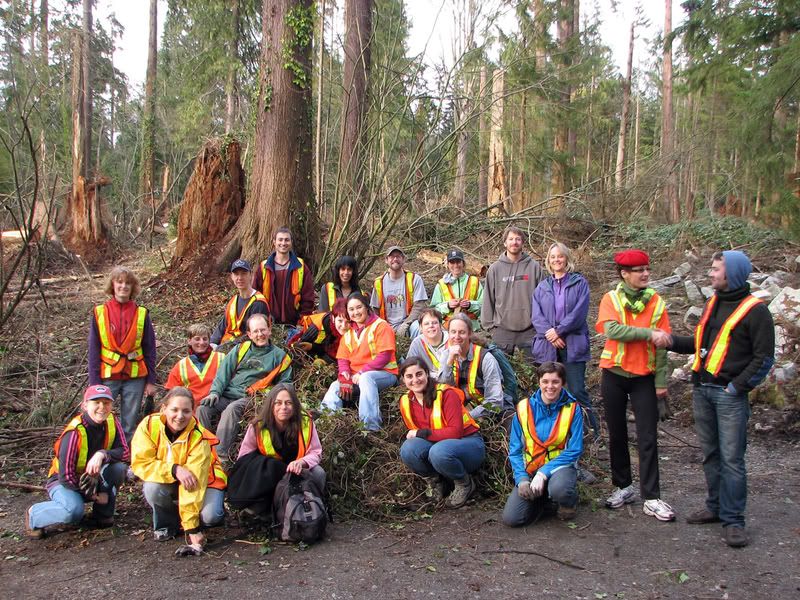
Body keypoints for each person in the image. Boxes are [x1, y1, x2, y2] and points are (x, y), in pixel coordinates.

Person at [668, 251, 775, 547]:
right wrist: (670, 341)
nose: (711, 274)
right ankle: (715, 507)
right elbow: (700, 345)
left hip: (728, 395)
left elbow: (764, 358)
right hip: (702, 389)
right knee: (711, 454)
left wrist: (737, 388)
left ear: (733, 275)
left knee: (732, 459)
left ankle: (734, 520)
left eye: (716, 269)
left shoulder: (756, 311)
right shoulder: (712, 303)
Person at [596, 249, 675, 521]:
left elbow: (664, 343)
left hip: (645, 377)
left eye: (646, 269)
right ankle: (623, 486)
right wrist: (648, 334)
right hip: (614, 375)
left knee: (648, 437)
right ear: (624, 274)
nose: (645, 274)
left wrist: (662, 382)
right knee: (617, 435)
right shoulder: (611, 299)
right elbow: (612, 330)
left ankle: (651, 497)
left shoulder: (657, 302)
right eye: (639, 270)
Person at [131, 387, 226, 556]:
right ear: (164, 409)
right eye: (174, 410)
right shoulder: (148, 426)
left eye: (186, 411)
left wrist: (191, 528)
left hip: (206, 481)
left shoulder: (199, 437)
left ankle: (192, 522)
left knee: (212, 516)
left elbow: (193, 483)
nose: (180, 416)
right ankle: (167, 524)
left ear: (193, 412)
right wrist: (174, 469)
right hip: (172, 477)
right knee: (152, 488)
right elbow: (141, 463)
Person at [25, 385, 129, 538]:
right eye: (96, 402)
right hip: (62, 481)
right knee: (73, 512)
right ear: (85, 405)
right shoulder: (74, 432)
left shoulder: (112, 420)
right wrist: (95, 496)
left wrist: (101, 454)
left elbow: (125, 452)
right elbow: (66, 477)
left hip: (92, 477)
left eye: (106, 403)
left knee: (118, 469)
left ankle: (102, 515)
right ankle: (34, 514)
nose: (102, 407)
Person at [197, 313, 293, 462]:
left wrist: (268, 397)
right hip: (227, 395)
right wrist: (215, 393)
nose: (259, 334)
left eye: (263, 330)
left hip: (250, 398)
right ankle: (201, 448)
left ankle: (220, 458)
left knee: (232, 409)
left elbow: (285, 385)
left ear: (269, 330)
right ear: (249, 334)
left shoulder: (280, 356)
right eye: (255, 331)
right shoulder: (240, 349)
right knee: (203, 408)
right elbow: (224, 372)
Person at [503, 362, 584, 526]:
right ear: (539, 382)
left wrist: (543, 473)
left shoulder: (573, 408)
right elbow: (515, 450)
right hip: (531, 468)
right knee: (512, 519)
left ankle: (567, 502)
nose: (550, 386)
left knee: (559, 489)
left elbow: (575, 449)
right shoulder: (523, 407)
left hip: (561, 468)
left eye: (555, 382)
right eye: (545, 381)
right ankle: (543, 499)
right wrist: (522, 479)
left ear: (563, 383)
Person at [227, 384, 325, 518]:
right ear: (271, 405)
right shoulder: (258, 426)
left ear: (295, 405)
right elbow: (244, 458)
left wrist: (301, 462)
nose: (283, 407)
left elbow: (316, 452)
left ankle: (312, 510)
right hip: (271, 474)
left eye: (288, 403)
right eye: (278, 403)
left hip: (298, 470)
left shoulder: (306, 423)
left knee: (319, 473)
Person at [398, 358, 484, 509]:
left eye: (419, 374)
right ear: (403, 379)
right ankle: (436, 482)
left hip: (469, 444)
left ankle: (464, 483)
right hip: (440, 446)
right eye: (409, 376)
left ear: (427, 374)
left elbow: (455, 432)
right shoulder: (406, 401)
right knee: (408, 449)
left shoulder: (446, 394)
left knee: (438, 452)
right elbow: (416, 437)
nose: (415, 380)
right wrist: (421, 435)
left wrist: (421, 433)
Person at [531, 242, 598, 437]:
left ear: (567, 258)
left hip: (573, 344)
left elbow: (579, 313)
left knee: (577, 390)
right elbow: (537, 316)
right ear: (548, 261)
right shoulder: (542, 287)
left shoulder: (579, 283)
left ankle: (591, 433)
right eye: (553, 257)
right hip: (548, 347)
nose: (556, 260)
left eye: (560, 256)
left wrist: (559, 331)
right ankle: (553, 433)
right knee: (550, 391)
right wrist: (551, 336)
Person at [88, 266, 158, 444]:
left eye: (128, 283)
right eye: (119, 282)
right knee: (101, 417)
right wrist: (94, 383)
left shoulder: (142, 313)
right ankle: (101, 453)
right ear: (112, 284)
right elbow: (94, 350)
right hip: (107, 375)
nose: (123, 286)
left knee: (130, 421)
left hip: (135, 376)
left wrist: (151, 380)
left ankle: (126, 456)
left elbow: (150, 349)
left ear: (133, 287)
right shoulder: (100, 312)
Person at [321, 294, 398, 431]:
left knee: (366, 378)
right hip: (357, 377)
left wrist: (362, 372)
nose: (355, 312)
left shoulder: (381, 326)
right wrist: (344, 377)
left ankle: (370, 426)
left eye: (359, 307)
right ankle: (327, 421)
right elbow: (343, 359)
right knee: (335, 386)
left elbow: (384, 356)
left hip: (385, 374)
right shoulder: (349, 332)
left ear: (367, 307)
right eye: (351, 309)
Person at [481, 226, 543, 358]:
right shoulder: (494, 269)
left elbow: (544, 298)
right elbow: (488, 299)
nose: (514, 242)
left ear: (522, 242)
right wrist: (490, 328)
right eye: (511, 239)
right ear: (505, 243)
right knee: (502, 374)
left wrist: (541, 325)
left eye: (518, 239)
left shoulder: (534, 267)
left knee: (531, 373)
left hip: (530, 330)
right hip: (502, 331)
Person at [437, 313, 510, 420]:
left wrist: (467, 417)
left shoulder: (486, 358)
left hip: (494, 411)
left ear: (470, 334)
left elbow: (495, 401)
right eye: (453, 332)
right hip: (465, 406)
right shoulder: (446, 354)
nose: (456, 336)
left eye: (462, 332)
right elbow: (443, 389)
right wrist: (449, 362)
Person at [252, 227, 315, 326]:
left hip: (294, 322)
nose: (283, 243)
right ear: (274, 242)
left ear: (291, 242)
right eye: (280, 239)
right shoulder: (264, 267)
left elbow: (308, 296)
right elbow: (255, 295)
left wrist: (303, 320)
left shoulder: (300, 266)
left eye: (287, 240)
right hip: (268, 322)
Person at [370, 245, 428, 338]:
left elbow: (419, 305)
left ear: (404, 259)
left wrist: (406, 324)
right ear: (386, 260)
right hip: (385, 326)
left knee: (418, 327)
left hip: (409, 324)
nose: (395, 259)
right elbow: (374, 310)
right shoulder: (379, 283)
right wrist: (381, 326)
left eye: (398, 256)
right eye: (392, 256)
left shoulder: (414, 279)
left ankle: (417, 351)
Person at [210, 259, 270, 346]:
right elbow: (222, 326)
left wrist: (224, 347)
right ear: (232, 277)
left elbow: (254, 335)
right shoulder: (233, 301)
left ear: (251, 275)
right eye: (236, 274)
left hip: (244, 348)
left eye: (243, 274)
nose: (240, 278)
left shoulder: (258, 303)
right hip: (226, 345)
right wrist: (212, 343)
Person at [165, 323, 225, 408]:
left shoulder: (221, 358)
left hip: (216, 407)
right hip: (189, 412)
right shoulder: (180, 366)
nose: (201, 342)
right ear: (189, 341)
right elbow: (171, 393)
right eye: (197, 339)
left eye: (205, 339)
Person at [429, 249, 483, 330]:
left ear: (463, 264)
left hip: (472, 328)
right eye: (452, 262)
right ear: (447, 265)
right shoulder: (441, 284)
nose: (455, 265)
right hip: (448, 329)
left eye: (458, 262)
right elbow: (434, 311)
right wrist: (448, 306)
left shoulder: (475, 281)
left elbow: (484, 307)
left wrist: (470, 305)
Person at [288, 298, 349, 363]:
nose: (343, 326)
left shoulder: (354, 331)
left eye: (348, 321)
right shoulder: (320, 324)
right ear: (333, 318)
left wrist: (324, 361)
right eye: (340, 321)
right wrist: (311, 346)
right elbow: (298, 343)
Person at [406, 308, 449, 375]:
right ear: (420, 328)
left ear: (440, 325)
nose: (431, 326)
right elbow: (409, 367)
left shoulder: (451, 339)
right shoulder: (417, 343)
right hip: (428, 381)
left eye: (434, 323)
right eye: (426, 324)